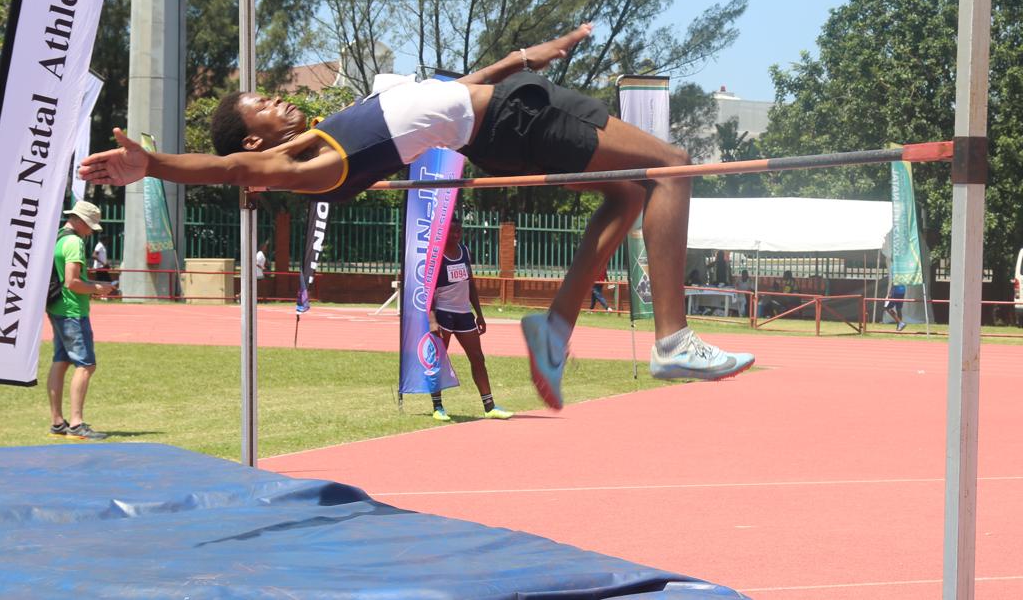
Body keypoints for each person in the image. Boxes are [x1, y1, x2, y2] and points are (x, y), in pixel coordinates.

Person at [80, 23, 754, 410]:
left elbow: (445, 97)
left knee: (630, 194)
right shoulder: (320, 165)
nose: (282, 102)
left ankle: (555, 328)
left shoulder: (329, 132)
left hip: (500, 109)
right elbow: (236, 170)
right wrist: (157, 164)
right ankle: (674, 341)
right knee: (672, 167)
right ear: (256, 141)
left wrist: (524, 56)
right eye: (266, 109)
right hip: (515, 116)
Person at [428, 218, 513, 422]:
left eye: (459, 231)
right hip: (443, 313)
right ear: (444, 232)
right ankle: (438, 407)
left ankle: (489, 406)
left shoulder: (464, 251)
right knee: (439, 359)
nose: (456, 234)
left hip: (464, 313)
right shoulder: (436, 255)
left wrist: (480, 314)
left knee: (477, 358)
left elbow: (471, 284)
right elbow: (428, 290)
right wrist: (432, 320)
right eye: (452, 231)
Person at [47, 201, 116, 440]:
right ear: (80, 221)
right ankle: (76, 424)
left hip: (57, 307)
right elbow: (72, 282)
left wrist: (92, 288)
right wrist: (99, 286)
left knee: (61, 361)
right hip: (72, 310)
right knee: (86, 365)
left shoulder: (59, 237)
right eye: (90, 226)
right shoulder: (74, 242)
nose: (91, 231)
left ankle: (57, 422)